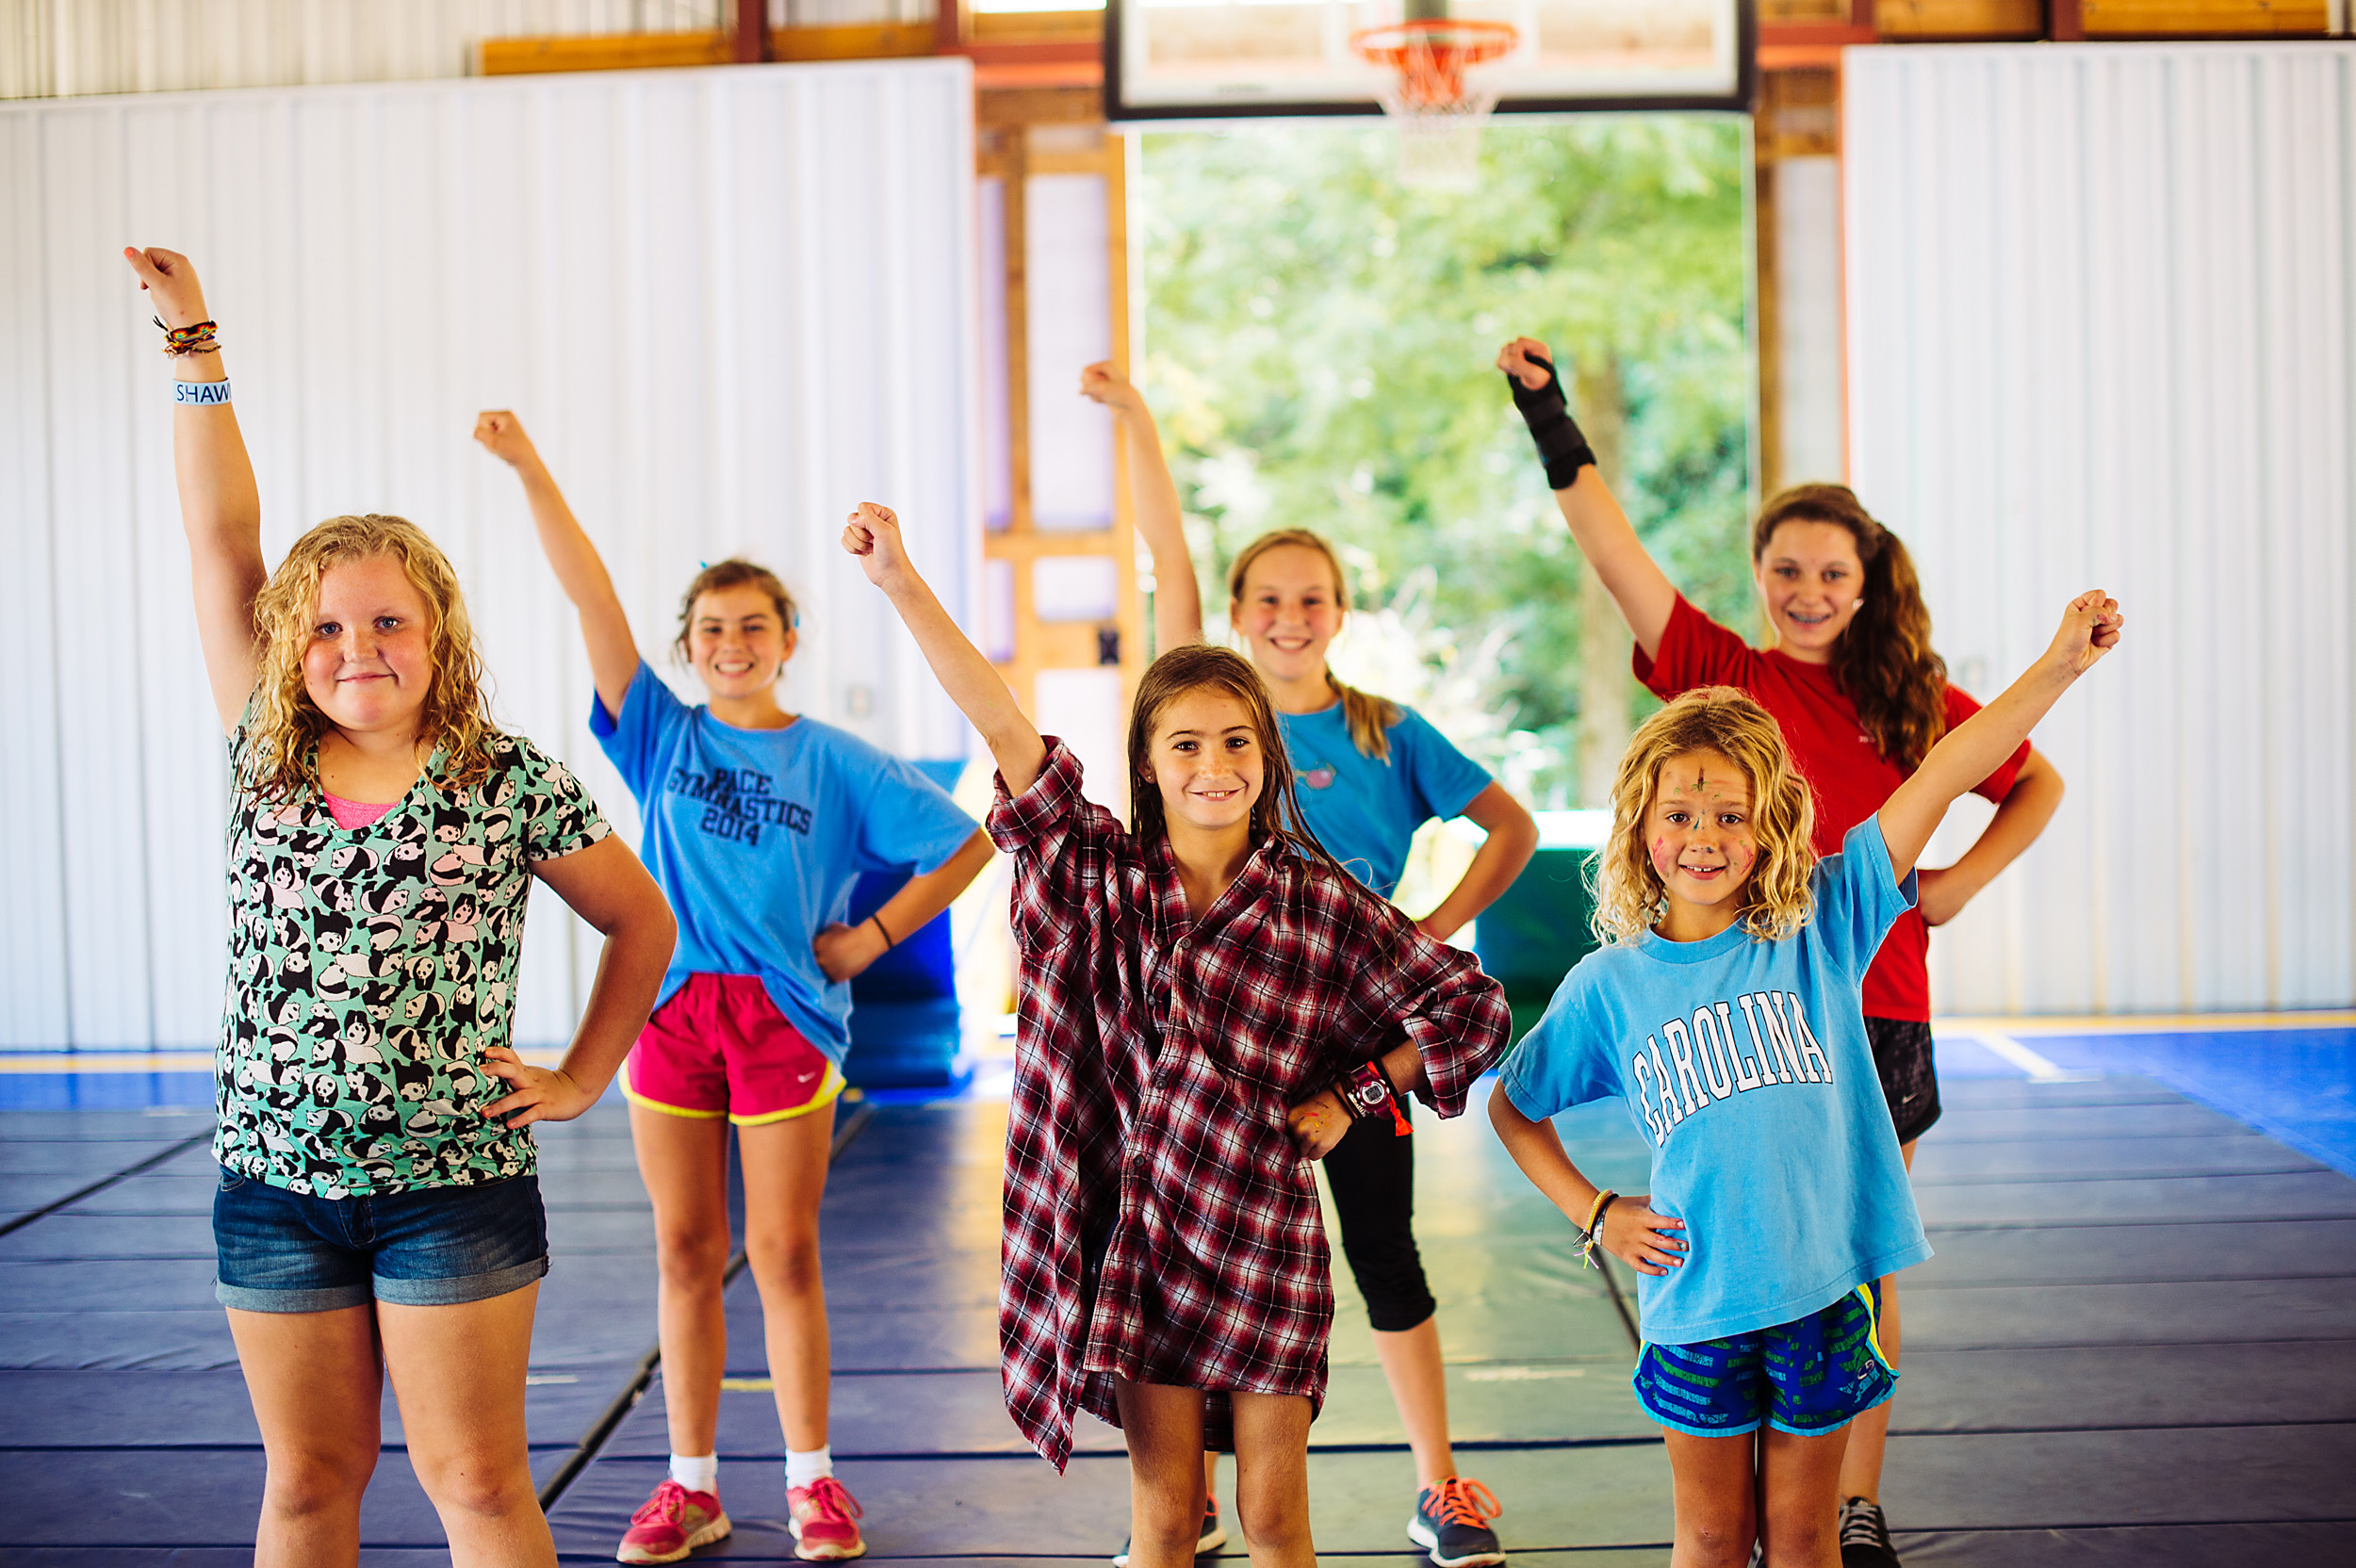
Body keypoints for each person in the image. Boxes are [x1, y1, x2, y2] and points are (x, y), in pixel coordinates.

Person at [124, 245, 677, 1568]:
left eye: (388, 624)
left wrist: (583, 1075)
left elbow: (643, 921)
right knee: (309, 1483)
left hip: (452, 1184)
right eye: (325, 628)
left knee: (474, 1479)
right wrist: (194, 340)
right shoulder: (265, 752)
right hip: (274, 1182)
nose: (356, 648)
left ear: (440, 638)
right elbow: (222, 541)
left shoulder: (505, 777)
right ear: (286, 646)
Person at [840, 499, 1512, 1568]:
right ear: (1147, 764)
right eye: (1185, 743)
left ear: (1269, 757)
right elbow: (1004, 725)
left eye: (1237, 741)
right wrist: (900, 583)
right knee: (1164, 1517)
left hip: (1266, 1233)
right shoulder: (1099, 872)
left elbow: (1472, 1007)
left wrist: (1353, 1097)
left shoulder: (1318, 902)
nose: (1214, 762)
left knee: (1276, 1518)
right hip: (1145, 1241)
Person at [1497, 337, 2069, 1567]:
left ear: (1867, 582)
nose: (1808, 589)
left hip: (1860, 994)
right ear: (1757, 573)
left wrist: (1958, 874)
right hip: (1715, 1081)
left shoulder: (1906, 702)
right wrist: (1547, 413)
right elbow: (1610, 547)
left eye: (1832, 571)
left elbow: (1976, 774)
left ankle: (1856, 1498)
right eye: (1786, 568)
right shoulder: (1720, 679)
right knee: (1716, 1503)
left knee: (1850, 1249)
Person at [475, 416, 994, 1564]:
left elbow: (968, 840)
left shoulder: (837, 759)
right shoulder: (661, 735)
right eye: (710, 627)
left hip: (782, 1016)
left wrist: (872, 935)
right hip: (669, 1012)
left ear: (788, 639)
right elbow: (592, 598)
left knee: (784, 1248)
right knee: (684, 1249)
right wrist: (529, 467)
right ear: (688, 645)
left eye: (753, 624)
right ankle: (692, 1483)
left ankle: (812, 1478)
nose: (731, 642)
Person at [1081, 363, 1540, 1567]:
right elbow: (1166, 560)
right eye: (1268, 598)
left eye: (1313, 598)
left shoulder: (1385, 727)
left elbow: (1512, 828)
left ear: (1340, 611)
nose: (1290, 616)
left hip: (1352, 1038)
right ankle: (1192, 1498)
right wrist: (1136, 419)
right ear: (1237, 613)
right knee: (1203, 1257)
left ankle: (1439, 1483)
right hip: (1233, 1043)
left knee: (1383, 1253)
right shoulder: (1219, 719)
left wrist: (1429, 927)